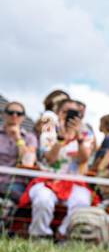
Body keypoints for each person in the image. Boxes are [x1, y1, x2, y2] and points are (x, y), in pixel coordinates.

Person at [28, 98, 98, 240]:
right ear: (58, 113)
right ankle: (39, 235)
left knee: (82, 202)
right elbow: (50, 158)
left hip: (74, 182)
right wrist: (60, 139)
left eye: (74, 113)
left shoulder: (86, 133)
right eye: (65, 111)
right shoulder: (49, 129)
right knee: (43, 199)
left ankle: (63, 234)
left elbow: (83, 158)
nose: (68, 116)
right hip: (48, 179)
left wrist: (78, 138)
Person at [1, 100, 38, 210]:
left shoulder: (30, 138)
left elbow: (28, 162)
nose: (14, 115)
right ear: (4, 114)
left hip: (15, 184)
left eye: (19, 113)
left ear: (23, 118)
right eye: (11, 112)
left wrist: (18, 139)